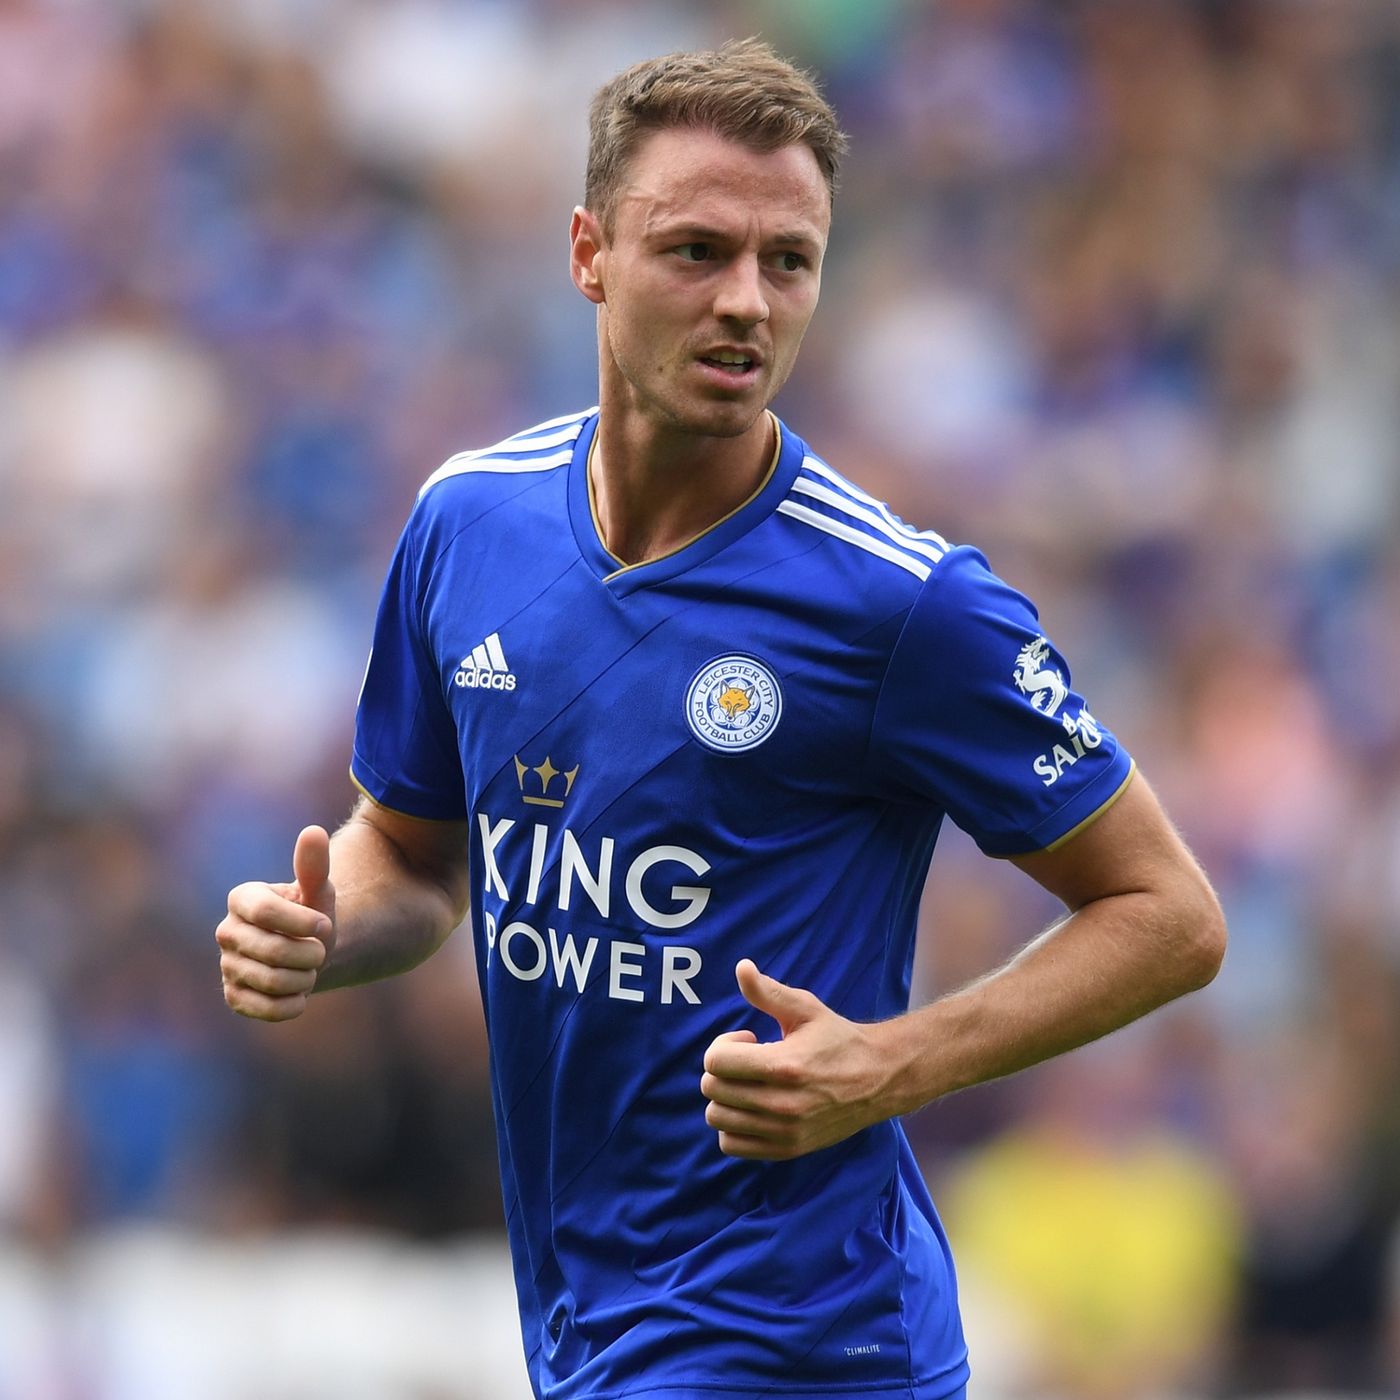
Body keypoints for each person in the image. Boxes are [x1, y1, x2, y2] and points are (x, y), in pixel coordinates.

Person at [216, 38, 1226, 1400]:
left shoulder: (904, 604)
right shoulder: (468, 522)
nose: (747, 301)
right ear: (590, 255)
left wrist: (889, 1064)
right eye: (697, 251)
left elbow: (1169, 914)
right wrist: (324, 926)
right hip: (588, 1321)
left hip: (801, 1336)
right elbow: (414, 855)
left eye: (788, 261)